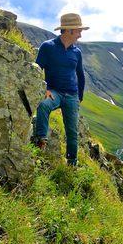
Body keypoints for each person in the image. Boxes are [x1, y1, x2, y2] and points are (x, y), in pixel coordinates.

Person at [34, 13, 89, 166]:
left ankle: (72, 164)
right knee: (43, 106)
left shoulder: (77, 52)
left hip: (72, 95)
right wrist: (43, 89)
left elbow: (81, 76)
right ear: (69, 31)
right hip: (54, 92)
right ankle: (40, 142)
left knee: (72, 132)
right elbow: (37, 69)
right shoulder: (47, 47)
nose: (80, 35)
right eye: (78, 31)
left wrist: (80, 97)